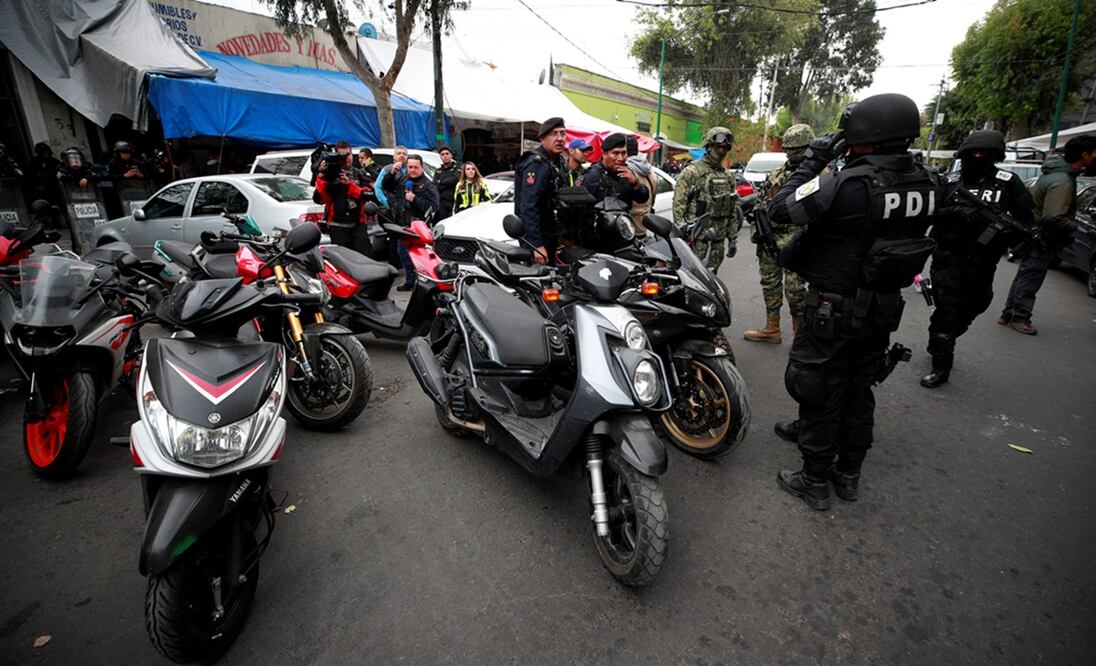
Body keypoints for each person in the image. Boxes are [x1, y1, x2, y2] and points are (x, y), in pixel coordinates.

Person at [768, 93, 943, 510]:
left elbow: (780, 209)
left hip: (833, 305)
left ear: (865, 136)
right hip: (882, 305)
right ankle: (848, 474)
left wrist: (813, 161)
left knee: (818, 387)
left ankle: (814, 479)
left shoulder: (847, 184)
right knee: (859, 387)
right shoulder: (930, 182)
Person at [920, 130, 1034, 387]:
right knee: (947, 312)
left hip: (984, 261)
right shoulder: (949, 182)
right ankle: (941, 365)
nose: (978, 158)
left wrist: (1012, 236)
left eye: (984, 154)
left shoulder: (1008, 183)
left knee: (979, 303)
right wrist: (956, 212)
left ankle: (942, 338)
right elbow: (928, 212)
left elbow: (1025, 217)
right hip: (948, 258)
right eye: (973, 153)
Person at [999, 134, 1096, 334]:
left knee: (1026, 274)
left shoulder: (1057, 175)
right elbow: (1053, 216)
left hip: (1035, 234)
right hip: (1042, 237)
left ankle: (1009, 314)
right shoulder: (1062, 181)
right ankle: (1019, 316)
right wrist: (1073, 226)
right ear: (1085, 155)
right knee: (1031, 276)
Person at [743, 124, 815, 344]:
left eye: (797, 149)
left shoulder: (817, 175)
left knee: (795, 290)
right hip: (770, 239)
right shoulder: (777, 173)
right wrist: (757, 231)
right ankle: (772, 328)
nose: (791, 153)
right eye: (788, 149)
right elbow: (761, 203)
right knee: (770, 284)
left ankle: (799, 334)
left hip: (798, 240)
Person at [673, 127, 740, 271]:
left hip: (719, 237)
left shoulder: (728, 176)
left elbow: (732, 210)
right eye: (718, 147)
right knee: (693, 274)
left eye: (725, 148)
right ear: (708, 146)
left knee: (712, 274)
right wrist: (681, 235)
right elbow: (679, 205)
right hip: (697, 237)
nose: (721, 151)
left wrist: (733, 238)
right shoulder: (692, 172)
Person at [513, 117, 568, 265]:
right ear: (542, 139)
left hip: (550, 235)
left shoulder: (557, 161)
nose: (560, 139)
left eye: (563, 134)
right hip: (537, 239)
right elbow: (529, 206)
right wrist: (536, 244)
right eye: (554, 134)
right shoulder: (536, 163)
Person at [391, 154, 439, 290]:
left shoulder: (429, 185)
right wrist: (391, 174)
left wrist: (415, 200)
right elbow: (387, 187)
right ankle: (410, 281)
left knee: (419, 258)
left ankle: (422, 283)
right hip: (403, 225)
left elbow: (434, 207)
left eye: (415, 167)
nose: (412, 170)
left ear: (422, 167)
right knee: (403, 255)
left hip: (419, 229)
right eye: (410, 167)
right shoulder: (404, 180)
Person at [578, 133, 651, 209]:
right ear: (604, 154)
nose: (620, 158)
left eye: (624, 153)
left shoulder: (626, 173)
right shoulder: (592, 176)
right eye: (615, 153)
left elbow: (642, 199)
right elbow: (580, 208)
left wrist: (635, 184)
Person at [314, 143, 364, 250]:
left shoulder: (359, 174)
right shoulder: (330, 175)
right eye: (342, 155)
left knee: (364, 256)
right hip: (337, 226)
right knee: (341, 258)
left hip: (358, 225)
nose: (346, 158)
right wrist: (321, 176)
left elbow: (369, 194)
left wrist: (350, 185)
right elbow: (319, 199)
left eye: (348, 154)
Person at [433, 146, 461, 222]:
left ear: (451, 155)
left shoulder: (458, 166)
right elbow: (435, 186)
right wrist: (448, 182)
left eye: (447, 154)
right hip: (442, 204)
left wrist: (441, 181)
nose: (445, 156)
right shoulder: (438, 171)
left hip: (455, 202)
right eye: (442, 154)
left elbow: (455, 179)